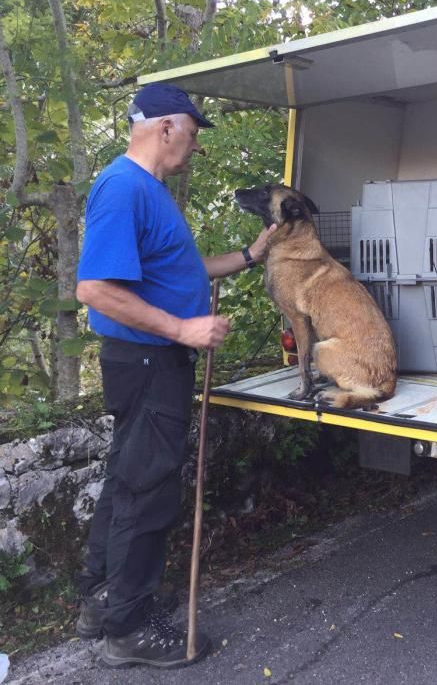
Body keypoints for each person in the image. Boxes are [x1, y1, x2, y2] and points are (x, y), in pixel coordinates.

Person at [73, 82, 276, 668]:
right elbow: (95, 289)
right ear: (165, 127)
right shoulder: (123, 188)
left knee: (125, 482)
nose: (194, 146)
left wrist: (249, 255)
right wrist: (183, 330)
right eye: (192, 132)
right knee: (147, 491)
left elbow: (180, 269)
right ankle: (129, 630)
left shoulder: (152, 193)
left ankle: (102, 600)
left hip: (148, 363)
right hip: (147, 363)